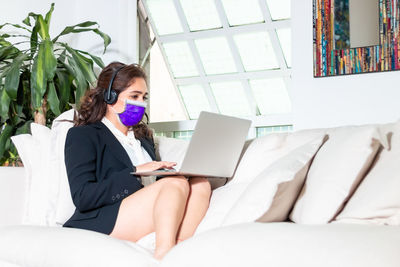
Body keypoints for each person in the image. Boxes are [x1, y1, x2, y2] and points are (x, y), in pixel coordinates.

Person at [63, 62, 212, 260]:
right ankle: (164, 255)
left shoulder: (143, 138)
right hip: (102, 219)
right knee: (174, 183)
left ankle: (178, 251)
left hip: (141, 214)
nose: (141, 103)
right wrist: (135, 171)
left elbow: (158, 192)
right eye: (134, 96)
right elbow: (82, 196)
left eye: (144, 97)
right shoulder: (83, 135)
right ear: (110, 98)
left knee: (200, 183)